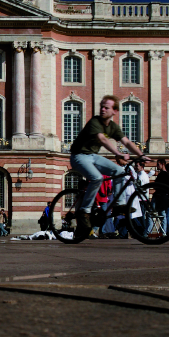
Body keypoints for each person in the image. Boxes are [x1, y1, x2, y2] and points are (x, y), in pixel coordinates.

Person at [68, 96, 147, 237]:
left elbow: (127, 142)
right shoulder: (95, 122)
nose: (103, 109)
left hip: (92, 156)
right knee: (97, 178)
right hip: (78, 156)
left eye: (107, 107)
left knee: (118, 170)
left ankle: (119, 205)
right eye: (102, 106)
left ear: (115, 111)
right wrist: (118, 153)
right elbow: (102, 139)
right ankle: (84, 211)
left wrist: (141, 155)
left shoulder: (113, 127)